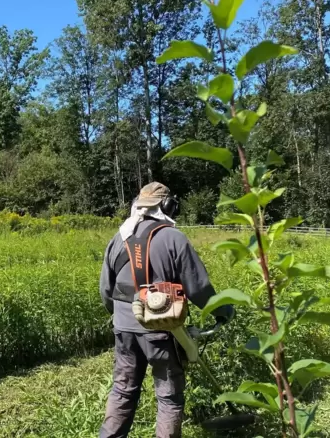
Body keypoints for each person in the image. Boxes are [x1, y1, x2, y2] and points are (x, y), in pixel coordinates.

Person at [99, 182, 234, 438]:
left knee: (123, 389)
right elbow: (199, 287)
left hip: (124, 329)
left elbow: (106, 290)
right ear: (167, 206)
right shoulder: (173, 237)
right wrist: (222, 312)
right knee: (169, 396)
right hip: (162, 331)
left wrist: (122, 318)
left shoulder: (119, 238)